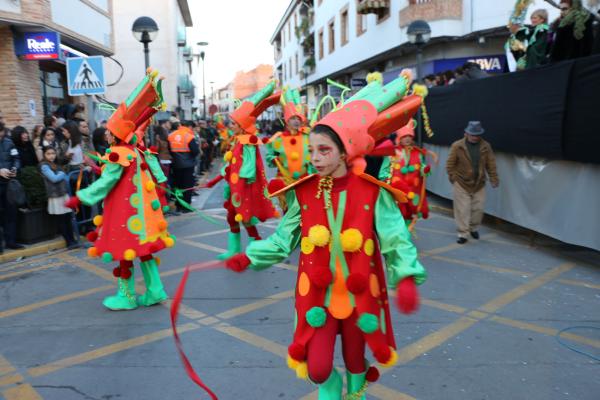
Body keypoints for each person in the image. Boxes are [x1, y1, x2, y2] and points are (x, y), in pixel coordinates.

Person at [224, 71, 426, 399]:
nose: (314, 158)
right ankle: (331, 388)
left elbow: (394, 235)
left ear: (344, 151)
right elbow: (283, 238)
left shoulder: (372, 191)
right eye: (312, 151)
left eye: (323, 151)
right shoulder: (303, 192)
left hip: (360, 290)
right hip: (316, 294)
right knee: (317, 367)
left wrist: (404, 276)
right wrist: (250, 255)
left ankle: (353, 394)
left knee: (354, 362)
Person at [65, 68, 172, 311]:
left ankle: (125, 296)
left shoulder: (118, 153)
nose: (108, 135)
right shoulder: (134, 151)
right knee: (143, 252)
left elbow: (106, 183)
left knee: (125, 253)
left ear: (115, 134)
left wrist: (80, 197)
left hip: (126, 214)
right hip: (143, 215)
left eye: (110, 131)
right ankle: (155, 290)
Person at [202, 80, 280, 260]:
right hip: (234, 188)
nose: (230, 125)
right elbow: (231, 166)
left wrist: (242, 184)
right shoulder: (238, 140)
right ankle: (234, 250)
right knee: (232, 217)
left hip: (242, 189)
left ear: (242, 125)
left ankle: (256, 247)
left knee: (244, 218)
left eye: (234, 123)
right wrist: (214, 181)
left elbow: (249, 167)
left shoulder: (247, 141)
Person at [446, 121, 499, 244]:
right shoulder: (457, 146)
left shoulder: (486, 146)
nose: (475, 137)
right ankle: (463, 233)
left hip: (479, 183)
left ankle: (473, 228)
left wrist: (494, 178)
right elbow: (450, 164)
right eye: (472, 134)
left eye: (477, 134)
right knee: (463, 209)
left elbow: (491, 164)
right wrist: (453, 178)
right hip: (461, 182)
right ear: (466, 133)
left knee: (478, 209)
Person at [379, 119, 438, 230]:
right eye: (404, 136)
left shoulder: (418, 153)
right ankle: (399, 238)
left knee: (409, 217)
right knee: (397, 217)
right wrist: (387, 180)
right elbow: (383, 172)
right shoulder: (392, 153)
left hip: (413, 192)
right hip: (397, 192)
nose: (407, 139)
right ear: (399, 138)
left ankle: (406, 236)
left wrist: (424, 170)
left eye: (409, 136)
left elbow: (421, 168)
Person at [265, 87, 314, 211]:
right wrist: (274, 159)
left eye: (298, 118)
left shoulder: (307, 137)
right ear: (287, 121)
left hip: (304, 181)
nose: (296, 121)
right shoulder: (278, 139)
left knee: (305, 214)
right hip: (286, 183)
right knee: (288, 214)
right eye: (293, 119)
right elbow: (269, 157)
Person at [39, 146, 78, 249]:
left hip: (63, 194)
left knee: (68, 218)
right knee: (62, 220)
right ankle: (68, 242)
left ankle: (73, 240)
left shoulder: (56, 164)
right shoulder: (44, 166)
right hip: (55, 196)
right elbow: (54, 178)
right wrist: (62, 173)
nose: (51, 156)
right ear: (44, 155)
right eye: (48, 154)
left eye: (53, 153)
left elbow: (63, 178)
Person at [168, 120, 199, 212]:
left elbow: (169, 150)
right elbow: (195, 151)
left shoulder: (171, 135)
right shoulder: (189, 136)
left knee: (177, 185)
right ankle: (186, 206)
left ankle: (178, 205)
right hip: (188, 165)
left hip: (176, 164)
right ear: (189, 126)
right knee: (188, 186)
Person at [0, 122, 22, 252]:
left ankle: (11, 242)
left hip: (8, 184)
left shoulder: (9, 142)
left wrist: (15, 168)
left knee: (11, 213)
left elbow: (16, 158)